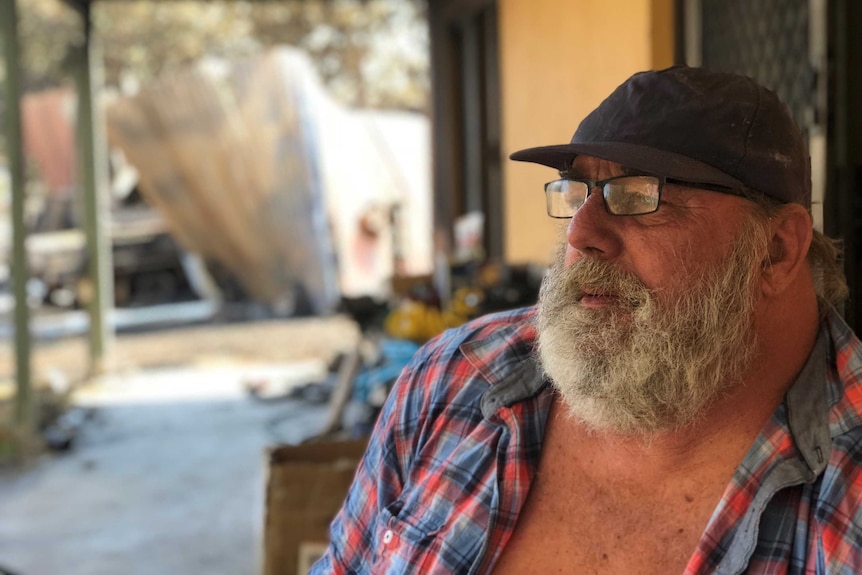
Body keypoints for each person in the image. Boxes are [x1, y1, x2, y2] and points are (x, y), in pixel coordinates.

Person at [310, 66, 861, 574]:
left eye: (641, 195)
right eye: (580, 193)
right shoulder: (453, 379)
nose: (580, 233)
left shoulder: (847, 494)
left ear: (776, 250)